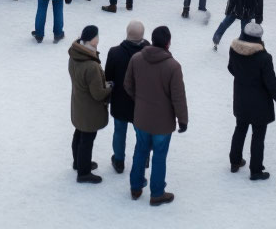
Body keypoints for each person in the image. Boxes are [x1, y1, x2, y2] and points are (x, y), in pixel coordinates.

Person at [125, 25, 187, 206]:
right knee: (159, 156)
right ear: (168, 43)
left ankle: (135, 187)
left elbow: (128, 85)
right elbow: (178, 97)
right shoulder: (173, 66)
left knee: (140, 150)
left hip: (141, 118)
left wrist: (139, 101)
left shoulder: (136, 59)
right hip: (163, 123)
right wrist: (182, 119)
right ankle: (157, 193)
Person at [226, 22, 276, 180]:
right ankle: (256, 170)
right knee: (258, 136)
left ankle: (235, 161)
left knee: (240, 128)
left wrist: (243, 77)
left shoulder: (234, 49)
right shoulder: (264, 58)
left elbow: (231, 68)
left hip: (241, 99)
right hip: (259, 104)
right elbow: (271, 83)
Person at [68, 24, 112, 184]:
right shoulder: (91, 66)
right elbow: (98, 94)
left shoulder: (75, 55)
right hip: (89, 110)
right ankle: (84, 172)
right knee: (87, 139)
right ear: (93, 40)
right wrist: (110, 87)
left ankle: (78, 162)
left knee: (79, 133)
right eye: (97, 36)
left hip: (79, 105)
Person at [104, 20, 148, 174]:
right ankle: (142, 158)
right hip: (141, 102)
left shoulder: (115, 52)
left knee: (119, 132)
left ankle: (119, 160)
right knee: (142, 133)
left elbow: (108, 77)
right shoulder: (149, 52)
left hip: (120, 101)